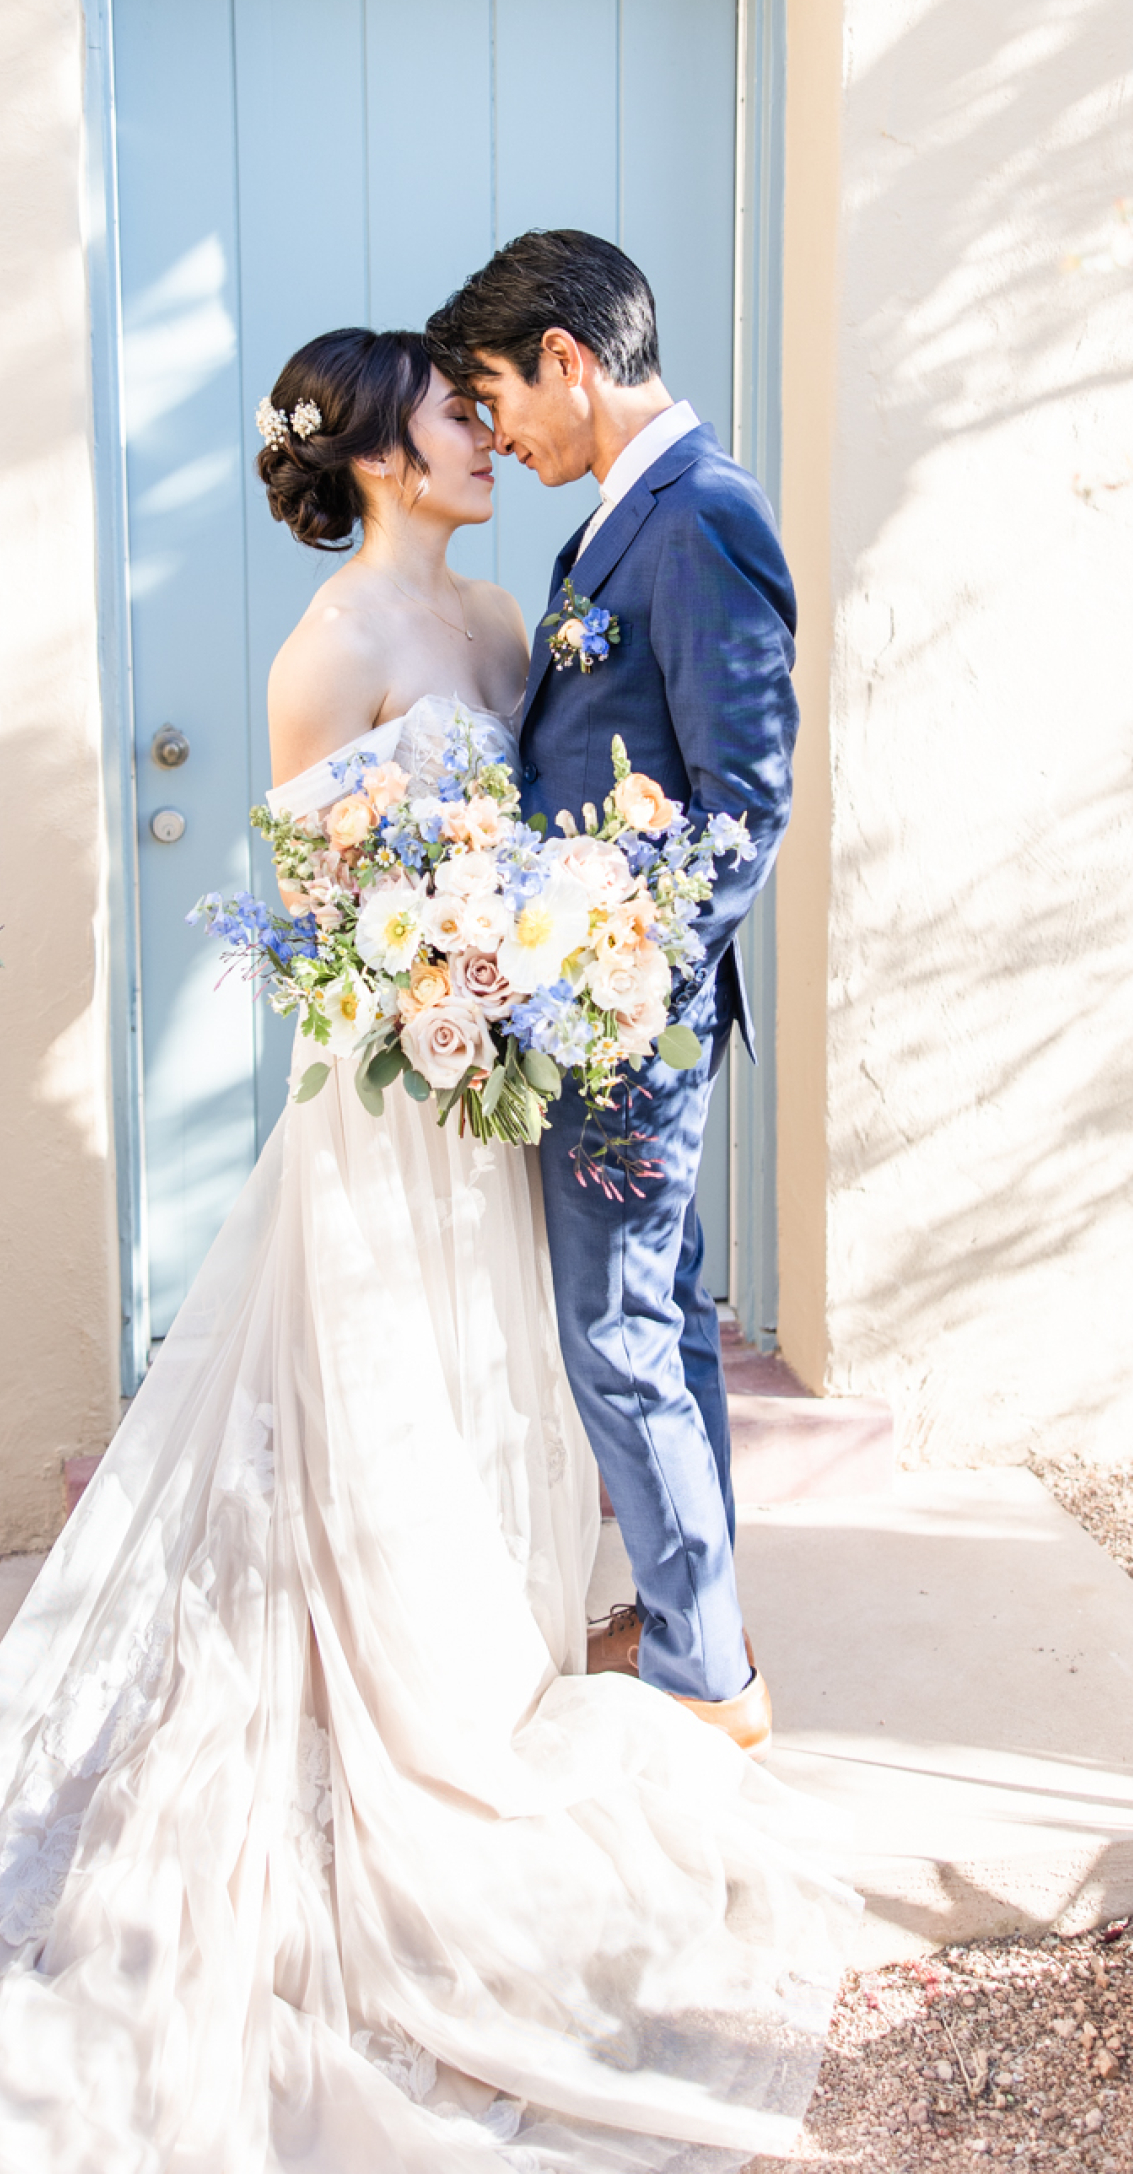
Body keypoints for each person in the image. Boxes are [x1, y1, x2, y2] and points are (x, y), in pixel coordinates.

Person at [0, 328, 855, 2174]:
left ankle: (502, 1657)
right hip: (389, 1102)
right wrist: (434, 977)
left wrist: (538, 968)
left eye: (491, 409)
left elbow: (572, 825)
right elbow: (319, 918)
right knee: (380, 1408)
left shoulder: (513, 618)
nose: (487, 434)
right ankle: (379, 1706)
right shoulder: (325, 655)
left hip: (508, 1085)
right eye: (453, 417)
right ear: (383, 457)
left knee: (522, 1379)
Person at [426, 234, 797, 1749]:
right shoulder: (609, 528)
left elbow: (745, 802)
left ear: (569, 358)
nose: (495, 432)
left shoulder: (700, 517)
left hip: (620, 1020)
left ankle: (704, 1685)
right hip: (588, 1004)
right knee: (657, 1323)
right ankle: (693, 1611)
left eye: (497, 394)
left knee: (620, 1336)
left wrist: (611, 986)